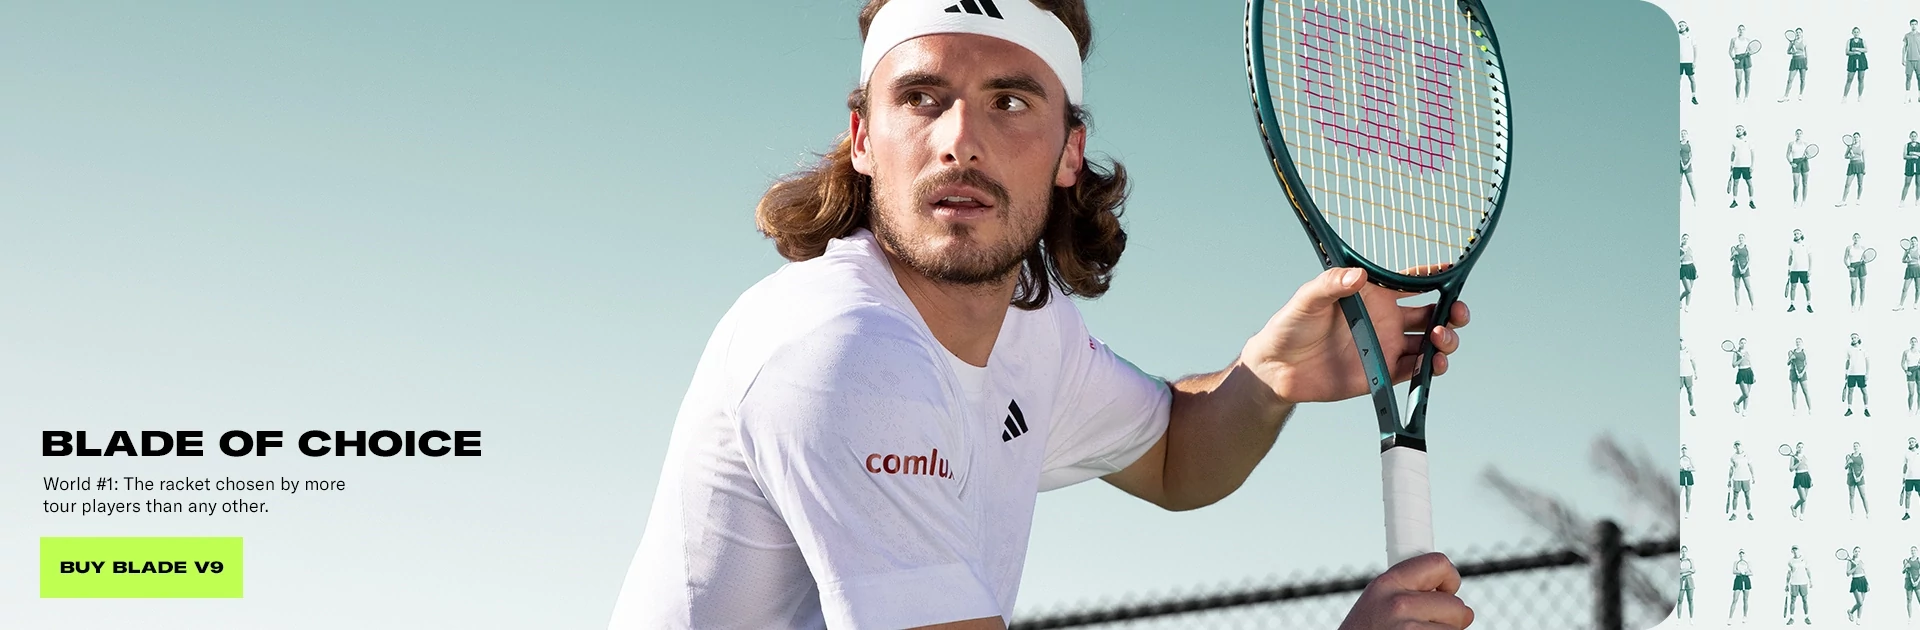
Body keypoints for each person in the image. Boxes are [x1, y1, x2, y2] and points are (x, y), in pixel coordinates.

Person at [607, 2, 1476, 628]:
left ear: (1069, 152)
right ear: (865, 138)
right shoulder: (838, 351)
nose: (960, 138)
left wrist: (1267, 377)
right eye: (921, 97)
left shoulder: (1031, 328)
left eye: (1010, 101)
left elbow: (1174, 457)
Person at [1845, 333, 1871, 417]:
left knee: (1864, 391)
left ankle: (1866, 409)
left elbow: (1867, 361)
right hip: (1851, 374)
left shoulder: (1863, 349)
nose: (1853, 339)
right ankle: (1849, 409)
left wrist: (1867, 373)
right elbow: (1847, 362)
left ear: (1858, 338)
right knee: (1850, 391)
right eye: (1852, 338)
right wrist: (1846, 373)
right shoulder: (1849, 349)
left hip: (1861, 374)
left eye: (1855, 337)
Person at [1785, 546, 1812, 626]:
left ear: (1799, 550)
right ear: (1792, 551)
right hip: (1794, 583)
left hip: (1803, 583)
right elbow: (1788, 574)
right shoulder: (1790, 561)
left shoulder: (1804, 560)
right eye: (1793, 550)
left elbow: (1808, 570)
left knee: (1805, 600)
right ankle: (1791, 618)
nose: (1795, 551)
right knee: (1792, 601)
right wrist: (1786, 584)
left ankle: (1807, 617)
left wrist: (1810, 581)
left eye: (1796, 549)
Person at [1731, 126, 1757, 208]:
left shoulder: (1749, 140)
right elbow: (1733, 154)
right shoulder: (1734, 141)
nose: (1739, 131)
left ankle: (1751, 201)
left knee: (1749, 183)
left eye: (1740, 129)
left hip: (1746, 166)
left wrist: (1752, 165)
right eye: (1737, 130)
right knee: (1735, 183)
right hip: (1736, 166)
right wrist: (1731, 164)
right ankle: (1734, 201)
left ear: (1743, 130)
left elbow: (1753, 153)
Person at [1787, 230, 1812, 312]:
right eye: (1794, 234)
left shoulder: (1806, 244)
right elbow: (1790, 258)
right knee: (1793, 287)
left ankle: (1809, 305)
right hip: (1794, 270)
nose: (1796, 235)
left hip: (1804, 270)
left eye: (1797, 233)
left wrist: (1810, 269)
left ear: (1801, 234)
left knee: (1807, 287)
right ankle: (1792, 305)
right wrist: (1788, 269)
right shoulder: (1792, 245)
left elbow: (1810, 257)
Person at [1838, 132, 1866, 206]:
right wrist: (1850, 156)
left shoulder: (1862, 147)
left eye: (1857, 137)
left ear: (1859, 138)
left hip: (1860, 166)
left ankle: (1858, 199)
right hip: (1852, 165)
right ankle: (1843, 201)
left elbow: (1864, 159)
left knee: (1860, 184)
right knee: (1847, 184)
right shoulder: (1850, 147)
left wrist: (1864, 168)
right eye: (1854, 137)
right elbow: (1845, 156)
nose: (1856, 138)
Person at [1781, 28, 1808, 102]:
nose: (1798, 34)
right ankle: (1786, 96)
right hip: (1794, 61)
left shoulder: (1804, 42)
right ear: (1795, 34)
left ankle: (1801, 94)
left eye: (1799, 32)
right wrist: (1793, 52)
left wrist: (1807, 63)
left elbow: (1806, 54)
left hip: (1802, 61)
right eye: (1797, 32)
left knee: (1802, 79)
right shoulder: (1792, 42)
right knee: (1790, 80)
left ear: (1802, 33)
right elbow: (1788, 51)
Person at [1730, 441, 1756, 521]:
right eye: (1736, 445)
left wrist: (1753, 476)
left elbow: (1750, 466)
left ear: (1741, 446)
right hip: (1736, 479)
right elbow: (1731, 469)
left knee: (1747, 496)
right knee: (1735, 497)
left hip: (1746, 478)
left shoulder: (1747, 455)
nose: (1737, 446)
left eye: (1739, 445)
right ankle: (1734, 514)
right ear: (1734, 447)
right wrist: (1729, 480)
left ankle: (1749, 513)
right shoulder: (1733, 457)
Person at [1788, 129, 1813, 207]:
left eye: (1800, 133)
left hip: (1804, 163)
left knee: (1805, 183)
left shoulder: (1805, 144)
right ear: (1795, 134)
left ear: (1802, 134)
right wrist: (1791, 163)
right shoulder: (1791, 144)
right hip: (1795, 163)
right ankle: (1795, 201)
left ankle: (1804, 201)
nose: (1798, 135)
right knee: (1796, 184)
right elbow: (1787, 155)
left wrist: (1807, 156)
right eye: (1797, 133)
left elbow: (1809, 155)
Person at [1845, 233, 1870, 311]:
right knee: (1854, 289)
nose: (1856, 239)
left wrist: (1864, 261)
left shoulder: (1863, 248)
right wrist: (1849, 267)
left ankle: (1861, 305)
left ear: (1860, 238)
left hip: (1862, 267)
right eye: (1855, 237)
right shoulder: (1849, 248)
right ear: (1853, 238)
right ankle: (1853, 306)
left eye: (1858, 237)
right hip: (1853, 267)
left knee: (1862, 287)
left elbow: (1866, 259)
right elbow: (1845, 259)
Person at [1844, 27, 1869, 103]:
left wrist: (1856, 49)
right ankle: (1844, 97)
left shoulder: (1862, 40)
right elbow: (1847, 52)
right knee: (1849, 79)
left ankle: (1860, 96)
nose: (1856, 33)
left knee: (1861, 78)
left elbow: (1866, 50)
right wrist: (1855, 52)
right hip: (1852, 61)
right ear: (1852, 33)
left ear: (1859, 33)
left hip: (1861, 60)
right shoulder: (1849, 41)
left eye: (1857, 32)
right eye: (1854, 32)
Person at [1731, 25, 1755, 103]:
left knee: (1747, 79)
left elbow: (1751, 51)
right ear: (1737, 30)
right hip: (1738, 59)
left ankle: (1746, 97)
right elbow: (1730, 51)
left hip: (1747, 59)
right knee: (1738, 80)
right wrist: (1733, 59)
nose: (1741, 31)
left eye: (1742, 29)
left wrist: (1749, 53)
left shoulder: (1748, 40)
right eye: (1740, 29)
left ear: (1745, 30)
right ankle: (1738, 97)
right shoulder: (1734, 40)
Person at [1789, 338, 1812, 415]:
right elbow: (1788, 363)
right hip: (1793, 373)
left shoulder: (1804, 352)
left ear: (1802, 343)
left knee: (1806, 391)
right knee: (1794, 391)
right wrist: (1790, 358)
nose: (1798, 343)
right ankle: (1794, 409)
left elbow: (1807, 364)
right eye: (1797, 342)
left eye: (1799, 342)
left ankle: (1810, 409)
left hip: (1802, 373)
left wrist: (1802, 373)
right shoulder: (1792, 352)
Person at [1788, 442, 1811, 520]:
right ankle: (1794, 507)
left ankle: (1802, 514)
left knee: (1805, 499)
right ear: (1796, 448)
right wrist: (1798, 463)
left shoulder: (1805, 456)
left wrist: (1811, 479)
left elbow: (1807, 468)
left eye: (1802, 447)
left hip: (1806, 477)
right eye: (1799, 447)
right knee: (1803, 498)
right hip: (1799, 477)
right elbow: (1791, 469)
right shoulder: (1793, 457)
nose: (1800, 448)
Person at [1733, 338, 1755, 416]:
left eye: (1745, 343)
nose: (1743, 344)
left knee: (1748, 394)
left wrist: (1753, 375)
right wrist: (1741, 358)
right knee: (1745, 394)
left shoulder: (1747, 352)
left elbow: (1750, 363)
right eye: (1742, 343)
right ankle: (1736, 403)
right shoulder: (1736, 353)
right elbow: (1734, 365)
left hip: (1749, 372)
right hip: (1741, 373)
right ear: (1739, 344)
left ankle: (1745, 410)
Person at [1847, 442, 1869, 519]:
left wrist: (1859, 477)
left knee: (1863, 495)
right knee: (1851, 495)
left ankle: (1867, 513)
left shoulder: (1862, 456)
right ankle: (1852, 513)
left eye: (1856, 446)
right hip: (1851, 478)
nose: (1855, 447)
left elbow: (1864, 468)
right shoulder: (1850, 456)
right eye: (1854, 446)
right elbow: (1845, 467)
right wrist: (1848, 463)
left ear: (1859, 447)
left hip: (1860, 477)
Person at [1733, 234, 1755, 310]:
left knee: (1748, 287)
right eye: (1739, 238)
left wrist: (1745, 269)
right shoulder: (1735, 248)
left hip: (1745, 269)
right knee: (1736, 287)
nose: (1740, 239)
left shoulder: (1747, 247)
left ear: (1744, 239)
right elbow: (1731, 258)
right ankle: (1737, 305)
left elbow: (1750, 260)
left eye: (1742, 238)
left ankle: (1752, 305)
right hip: (1736, 269)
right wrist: (1733, 254)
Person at [1845, 547, 1867, 624]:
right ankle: (1850, 612)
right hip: (1855, 581)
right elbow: (1848, 573)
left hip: (1863, 581)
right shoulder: (1850, 562)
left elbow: (1864, 572)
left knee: (1862, 602)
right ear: (1853, 552)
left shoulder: (1861, 561)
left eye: (1859, 551)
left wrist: (1867, 583)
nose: (1857, 553)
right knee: (1860, 602)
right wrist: (1855, 567)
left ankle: (1858, 619)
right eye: (1856, 551)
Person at [1680, 22, 1700, 104]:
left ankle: (1693, 97)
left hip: (1688, 61)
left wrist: (1694, 61)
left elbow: (1695, 49)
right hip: (1679, 62)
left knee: (1692, 79)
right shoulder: (1678, 36)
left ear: (1686, 26)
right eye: (1680, 26)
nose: (1681, 27)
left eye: (1682, 25)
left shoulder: (1691, 36)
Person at [1732, 549, 1754, 623]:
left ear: (1745, 554)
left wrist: (1746, 573)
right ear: (1739, 554)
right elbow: (1733, 571)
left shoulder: (1748, 562)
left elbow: (1751, 573)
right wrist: (1740, 572)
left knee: (1745, 599)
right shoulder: (1736, 562)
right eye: (1740, 553)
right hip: (1738, 580)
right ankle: (1730, 618)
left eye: (1743, 553)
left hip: (1746, 580)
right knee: (1735, 599)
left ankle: (1745, 616)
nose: (1741, 555)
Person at [1900, 235, 1919, 307]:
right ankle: (1901, 305)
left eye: (1915, 241)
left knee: (1918, 288)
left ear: (1917, 242)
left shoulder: (1919, 250)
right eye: (1912, 241)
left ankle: (1915, 303)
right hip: (1909, 269)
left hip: (1917, 269)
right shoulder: (1907, 250)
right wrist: (1907, 261)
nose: (1913, 242)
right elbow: (1903, 260)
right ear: (1910, 242)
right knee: (1905, 289)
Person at [1902, 131, 1920, 207]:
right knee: (1907, 183)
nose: (1913, 137)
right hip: (1909, 165)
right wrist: (1913, 156)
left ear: (1917, 137)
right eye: (1912, 136)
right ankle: (1902, 201)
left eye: (1915, 136)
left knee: (1918, 183)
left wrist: (1913, 153)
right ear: (1910, 137)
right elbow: (1904, 156)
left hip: (1918, 165)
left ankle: (1917, 200)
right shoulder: (1906, 145)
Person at [1904, 437, 1920, 520]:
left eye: (1912, 442)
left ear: (1915, 442)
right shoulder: (1907, 453)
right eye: (1910, 442)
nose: (1911, 443)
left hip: (1918, 478)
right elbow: (1905, 466)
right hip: (1909, 478)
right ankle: (1907, 513)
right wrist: (1903, 477)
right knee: (1907, 495)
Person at [1904, 19, 1920, 104]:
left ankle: (1919, 96)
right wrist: (1902, 58)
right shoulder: (1907, 35)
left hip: (1918, 60)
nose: (1913, 26)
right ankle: (1908, 96)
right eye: (1912, 24)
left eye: (1915, 24)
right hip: (1909, 59)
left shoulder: (1919, 35)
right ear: (1910, 25)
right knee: (1908, 78)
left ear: (1917, 25)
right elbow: (1904, 47)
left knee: (1919, 78)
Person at [1682, 339, 1699, 417]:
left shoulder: (1688, 351)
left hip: (1688, 374)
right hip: (1679, 376)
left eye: (1681, 340)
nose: (1679, 342)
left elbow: (1693, 362)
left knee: (1689, 392)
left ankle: (1691, 408)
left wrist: (1695, 372)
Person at [1678, 545, 1695, 621]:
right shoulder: (1679, 561)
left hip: (1689, 580)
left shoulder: (1690, 560)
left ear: (1687, 552)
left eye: (1685, 551)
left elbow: (1693, 570)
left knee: (1690, 599)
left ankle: (1691, 618)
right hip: (1681, 580)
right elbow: (1679, 571)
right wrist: (1688, 570)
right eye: (1682, 551)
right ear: (1681, 552)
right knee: (1680, 600)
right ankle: (1679, 618)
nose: (1684, 552)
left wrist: (1683, 572)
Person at [1681, 130, 1698, 205]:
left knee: (1691, 183)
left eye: (1684, 134)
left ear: (1687, 135)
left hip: (1688, 166)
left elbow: (1692, 156)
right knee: (1679, 184)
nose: (1683, 135)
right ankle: (1680, 201)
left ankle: (1695, 201)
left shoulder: (1689, 144)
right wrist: (1682, 164)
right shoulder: (1678, 143)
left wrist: (1687, 165)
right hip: (1680, 166)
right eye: (1682, 134)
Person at [1680, 234, 1697, 311]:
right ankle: (1679, 299)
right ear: (1682, 239)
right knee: (1688, 289)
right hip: (1684, 268)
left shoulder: (1690, 248)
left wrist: (1696, 271)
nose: (1685, 240)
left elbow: (1693, 259)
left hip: (1691, 268)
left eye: (1687, 238)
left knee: (1690, 290)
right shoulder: (1679, 249)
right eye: (1684, 238)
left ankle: (1687, 306)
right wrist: (1683, 254)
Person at [1905, 337, 1920, 415]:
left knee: (1919, 392)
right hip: (1910, 371)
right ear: (1910, 342)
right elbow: (1902, 363)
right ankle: (1910, 409)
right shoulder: (1906, 352)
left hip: (1918, 371)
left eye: (1915, 341)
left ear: (1917, 343)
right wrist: (1906, 371)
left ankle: (1918, 409)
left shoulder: (1919, 352)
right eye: (1912, 341)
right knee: (1911, 393)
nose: (1913, 343)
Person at [1904, 546, 1919, 619]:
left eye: (1914, 550)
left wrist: (1917, 581)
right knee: (1909, 599)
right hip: (1908, 582)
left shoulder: (1918, 560)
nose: (1913, 552)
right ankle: (1910, 618)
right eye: (1912, 550)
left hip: (1917, 582)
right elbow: (1903, 571)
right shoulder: (1907, 560)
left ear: (1917, 551)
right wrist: (1906, 567)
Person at [1681, 445, 1697, 516]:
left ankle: (1687, 512)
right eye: (1682, 449)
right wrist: (1681, 469)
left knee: (1688, 495)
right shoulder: (1680, 458)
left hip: (1688, 475)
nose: (1684, 450)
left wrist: (1688, 469)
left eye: (1685, 449)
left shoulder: (1689, 458)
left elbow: (1694, 468)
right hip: (1681, 475)